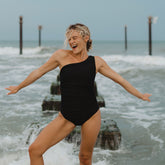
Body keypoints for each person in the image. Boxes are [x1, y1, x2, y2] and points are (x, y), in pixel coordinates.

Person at [5, 23, 151, 165]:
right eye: (69, 39)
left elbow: (120, 79)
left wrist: (140, 95)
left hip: (91, 115)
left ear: (85, 38)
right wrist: (19, 87)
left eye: (74, 38)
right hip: (67, 116)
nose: (71, 42)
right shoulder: (60, 56)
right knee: (34, 150)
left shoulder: (97, 62)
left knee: (85, 158)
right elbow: (38, 72)